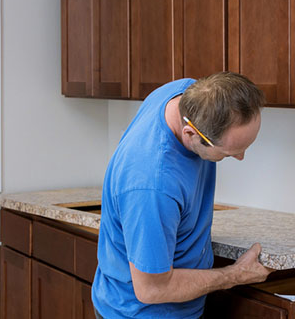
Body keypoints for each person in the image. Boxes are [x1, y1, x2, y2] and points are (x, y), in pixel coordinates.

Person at [92, 72, 271, 318]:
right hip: (139, 313)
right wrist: (235, 275)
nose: (241, 157)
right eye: (229, 153)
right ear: (190, 134)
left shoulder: (185, 94)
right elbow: (151, 289)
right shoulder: (152, 185)